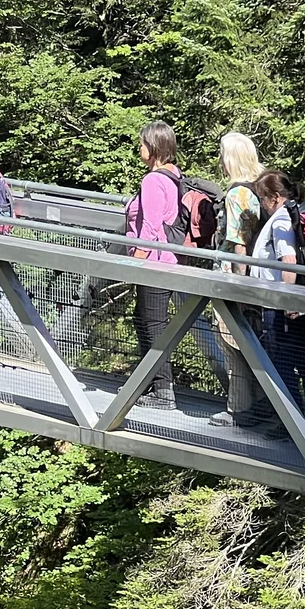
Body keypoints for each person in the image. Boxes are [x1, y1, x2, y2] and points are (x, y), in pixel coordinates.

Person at [246, 169, 305, 434]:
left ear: (274, 197)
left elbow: (288, 261)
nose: (261, 204)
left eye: (262, 198)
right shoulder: (291, 216)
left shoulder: (282, 221)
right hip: (301, 300)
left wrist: (289, 300)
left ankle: (292, 425)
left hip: (282, 303)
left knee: (283, 363)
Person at [206, 131, 273, 432]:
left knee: (230, 340)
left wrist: (238, 284)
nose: (219, 160)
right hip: (259, 278)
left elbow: (238, 242)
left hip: (233, 278)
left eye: (222, 154)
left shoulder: (236, 194)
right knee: (250, 343)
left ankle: (239, 409)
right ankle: (260, 404)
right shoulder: (260, 188)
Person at [124, 120, 185, 408]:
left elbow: (149, 228)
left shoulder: (152, 180)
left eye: (143, 144)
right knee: (149, 320)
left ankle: (162, 391)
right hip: (168, 260)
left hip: (154, 263)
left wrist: (134, 264)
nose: (139, 148)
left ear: (154, 148)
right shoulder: (174, 176)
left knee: (153, 325)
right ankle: (150, 384)